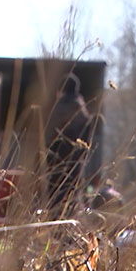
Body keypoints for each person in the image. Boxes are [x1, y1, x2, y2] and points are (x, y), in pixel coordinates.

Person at [44, 73, 94, 214]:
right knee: (73, 197)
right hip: (76, 164)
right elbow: (88, 140)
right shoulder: (83, 113)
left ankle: (53, 226)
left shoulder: (55, 110)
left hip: (55, 163)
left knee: (54, 198)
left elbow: (47, 138)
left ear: (61, 89)